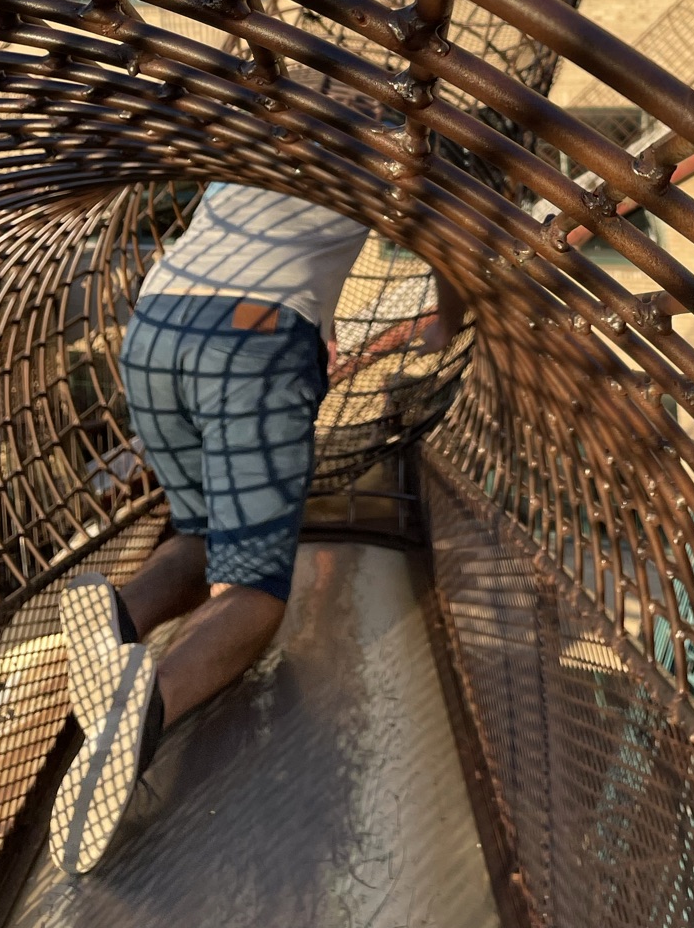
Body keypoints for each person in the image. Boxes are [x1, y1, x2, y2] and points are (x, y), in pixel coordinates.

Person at [49, 181, 455, 875]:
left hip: (155, 324)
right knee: (257, 594)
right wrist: (449, 315)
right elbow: (444, 221)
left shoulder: (257, 117)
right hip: (255, 330)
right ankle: (143, 709)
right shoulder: (380, 121)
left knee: (202, 534)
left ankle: (117, 617)